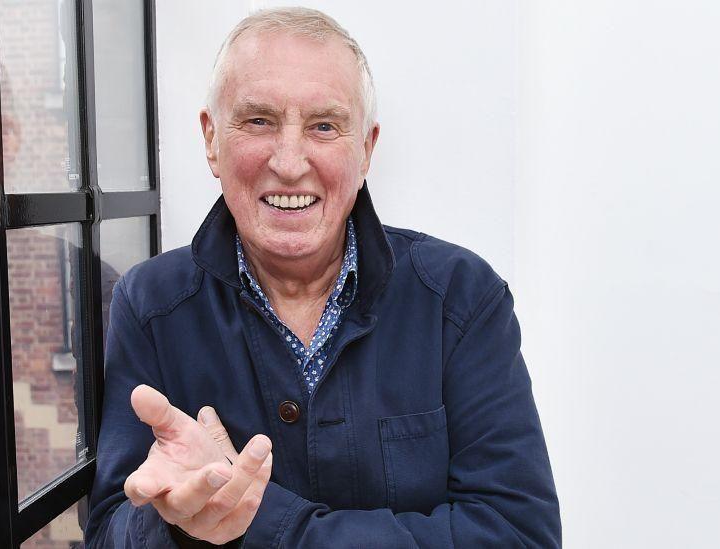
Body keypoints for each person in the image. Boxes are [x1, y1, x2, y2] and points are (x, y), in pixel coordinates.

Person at [86, 7, 560, 548]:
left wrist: (261, 522)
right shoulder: (150, 304)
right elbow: (108, 534)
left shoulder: (462, 297)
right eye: (259, 120)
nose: (289, 163)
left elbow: (521, 536)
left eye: (325, 126)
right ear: (212, 138)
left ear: (366, 149)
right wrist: (178, 518)